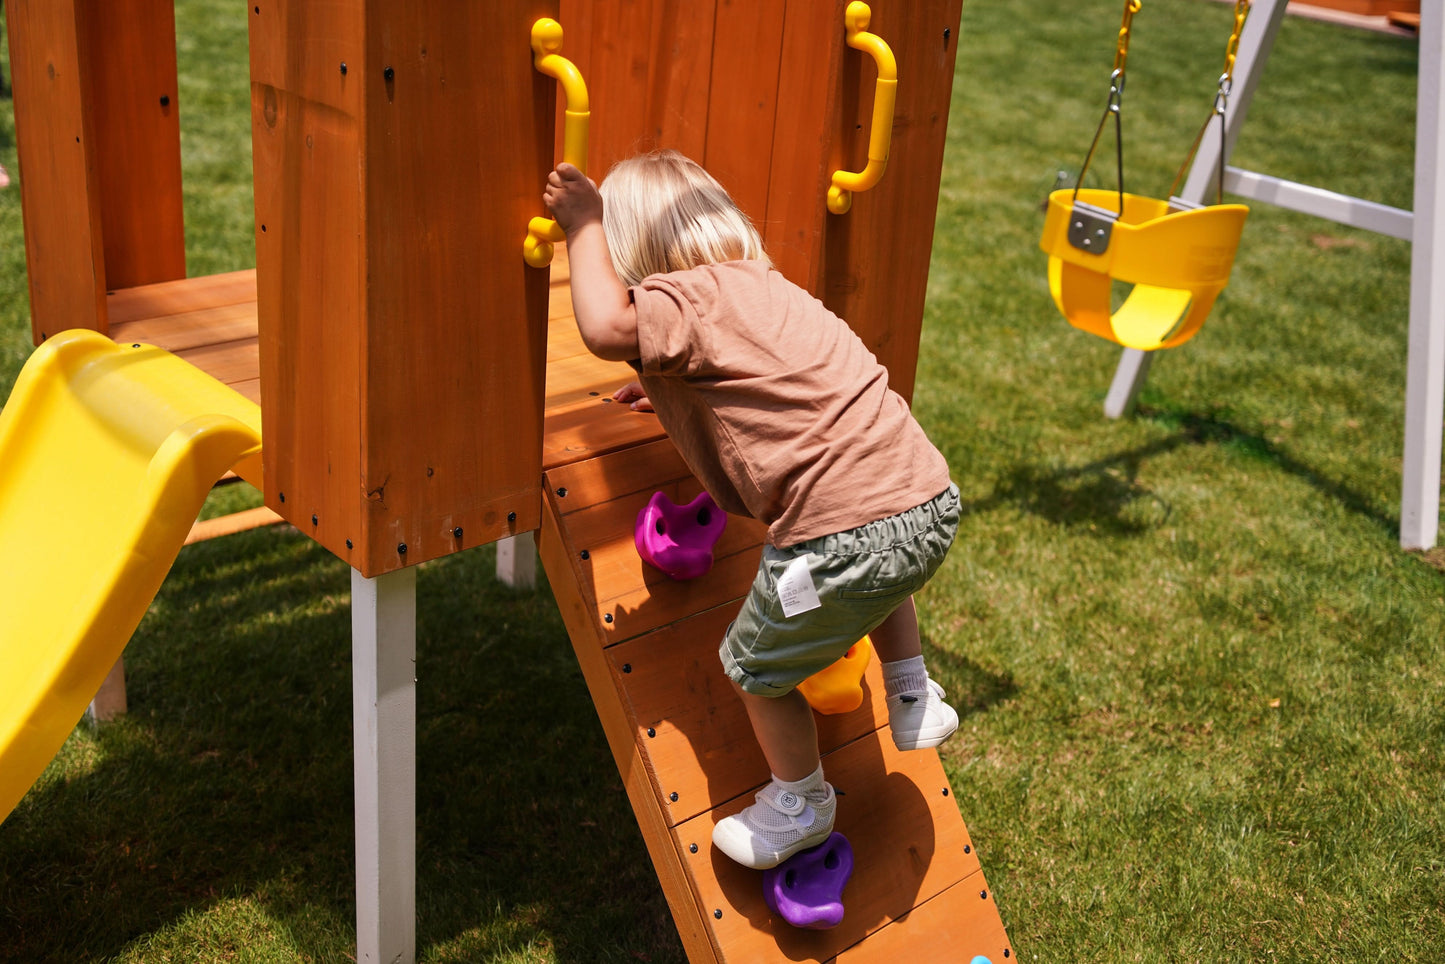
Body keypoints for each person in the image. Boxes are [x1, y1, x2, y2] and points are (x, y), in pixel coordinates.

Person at [543, 150, 962, 871]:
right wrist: (672, 394)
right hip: (925, 499)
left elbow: (606, 330)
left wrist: (581, 221)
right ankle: (909, 689)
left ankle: (798, 802)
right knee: (883, 569)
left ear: (629, 256)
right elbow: (760, 386)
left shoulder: (682, 298)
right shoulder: (763, 288)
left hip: (837, 541)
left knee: (752, 668)